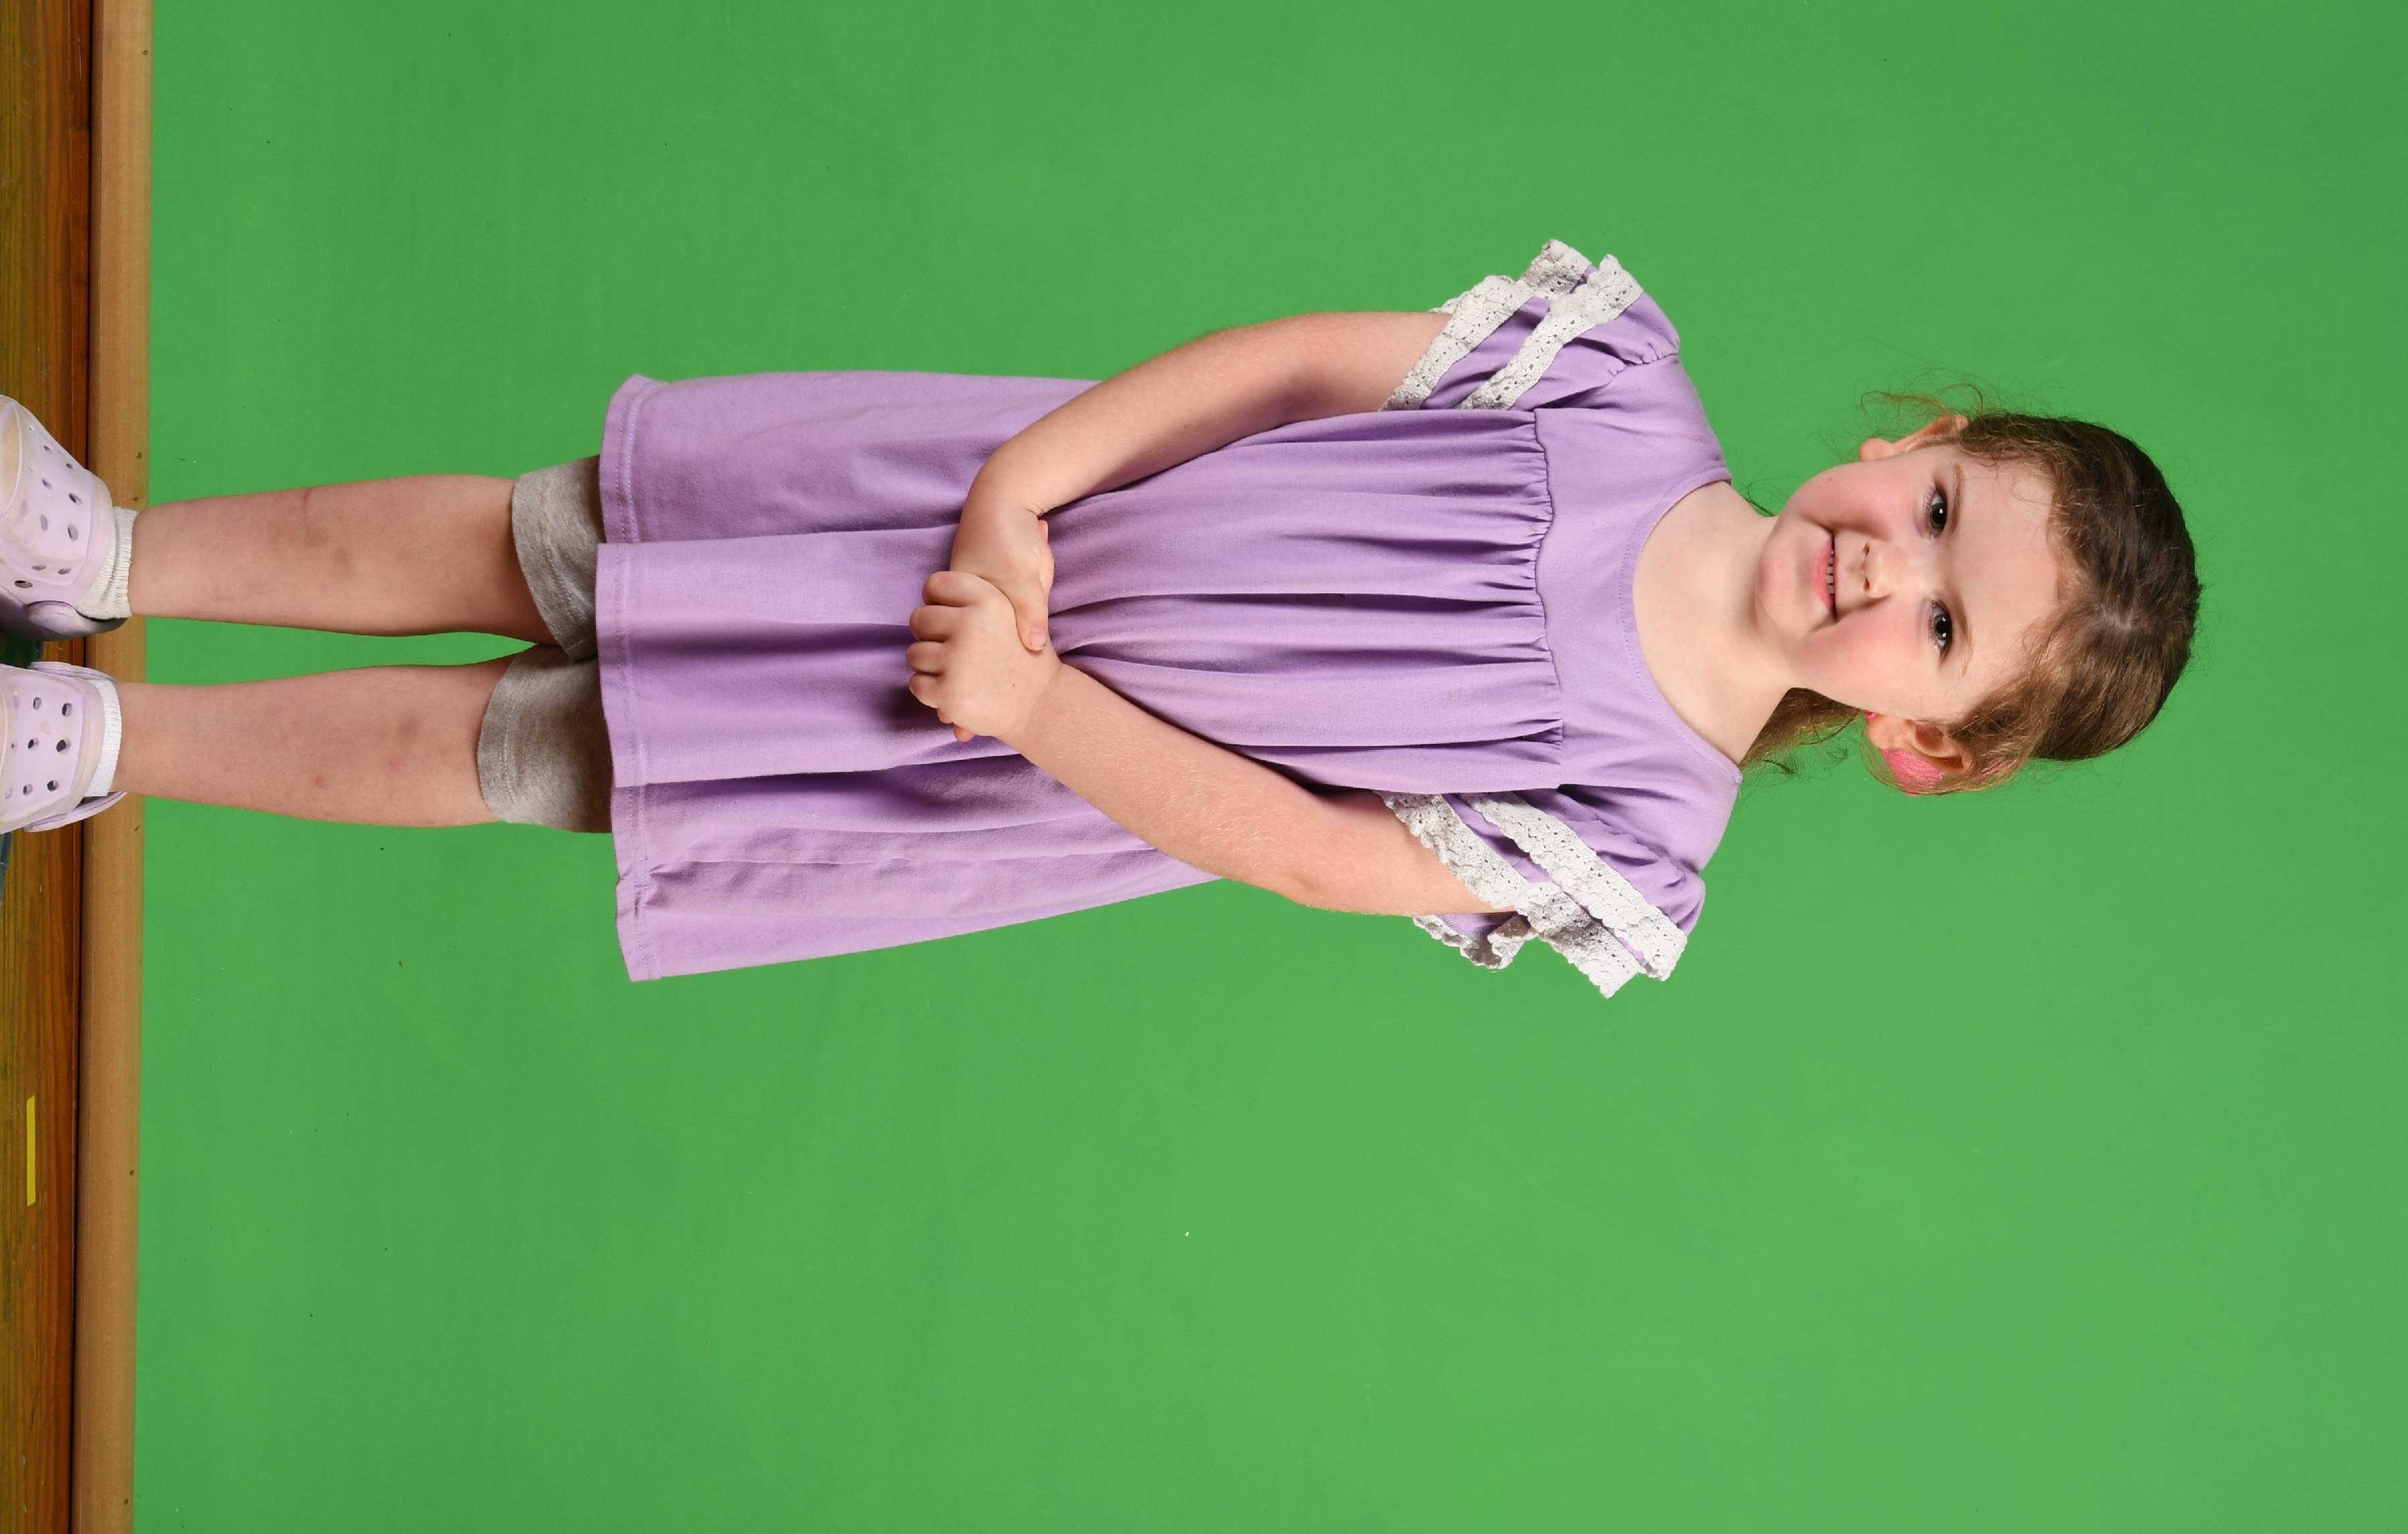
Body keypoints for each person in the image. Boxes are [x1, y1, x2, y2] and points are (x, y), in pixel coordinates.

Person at [0, 242, 2198, 996]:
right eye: (1934, 510)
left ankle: (110, 748)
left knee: (545, 751)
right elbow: (1288, 367)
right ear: (1924, 436)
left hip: (990, 743)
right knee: (543, 540)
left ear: (1931, 743)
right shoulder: (1611, 374)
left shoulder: (1638, 834)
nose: (1884, 567)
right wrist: (1025, 487)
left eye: (1940, 627)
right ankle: (109, 558)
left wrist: (1032, 702)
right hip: (981, 509)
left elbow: (1318, 855)